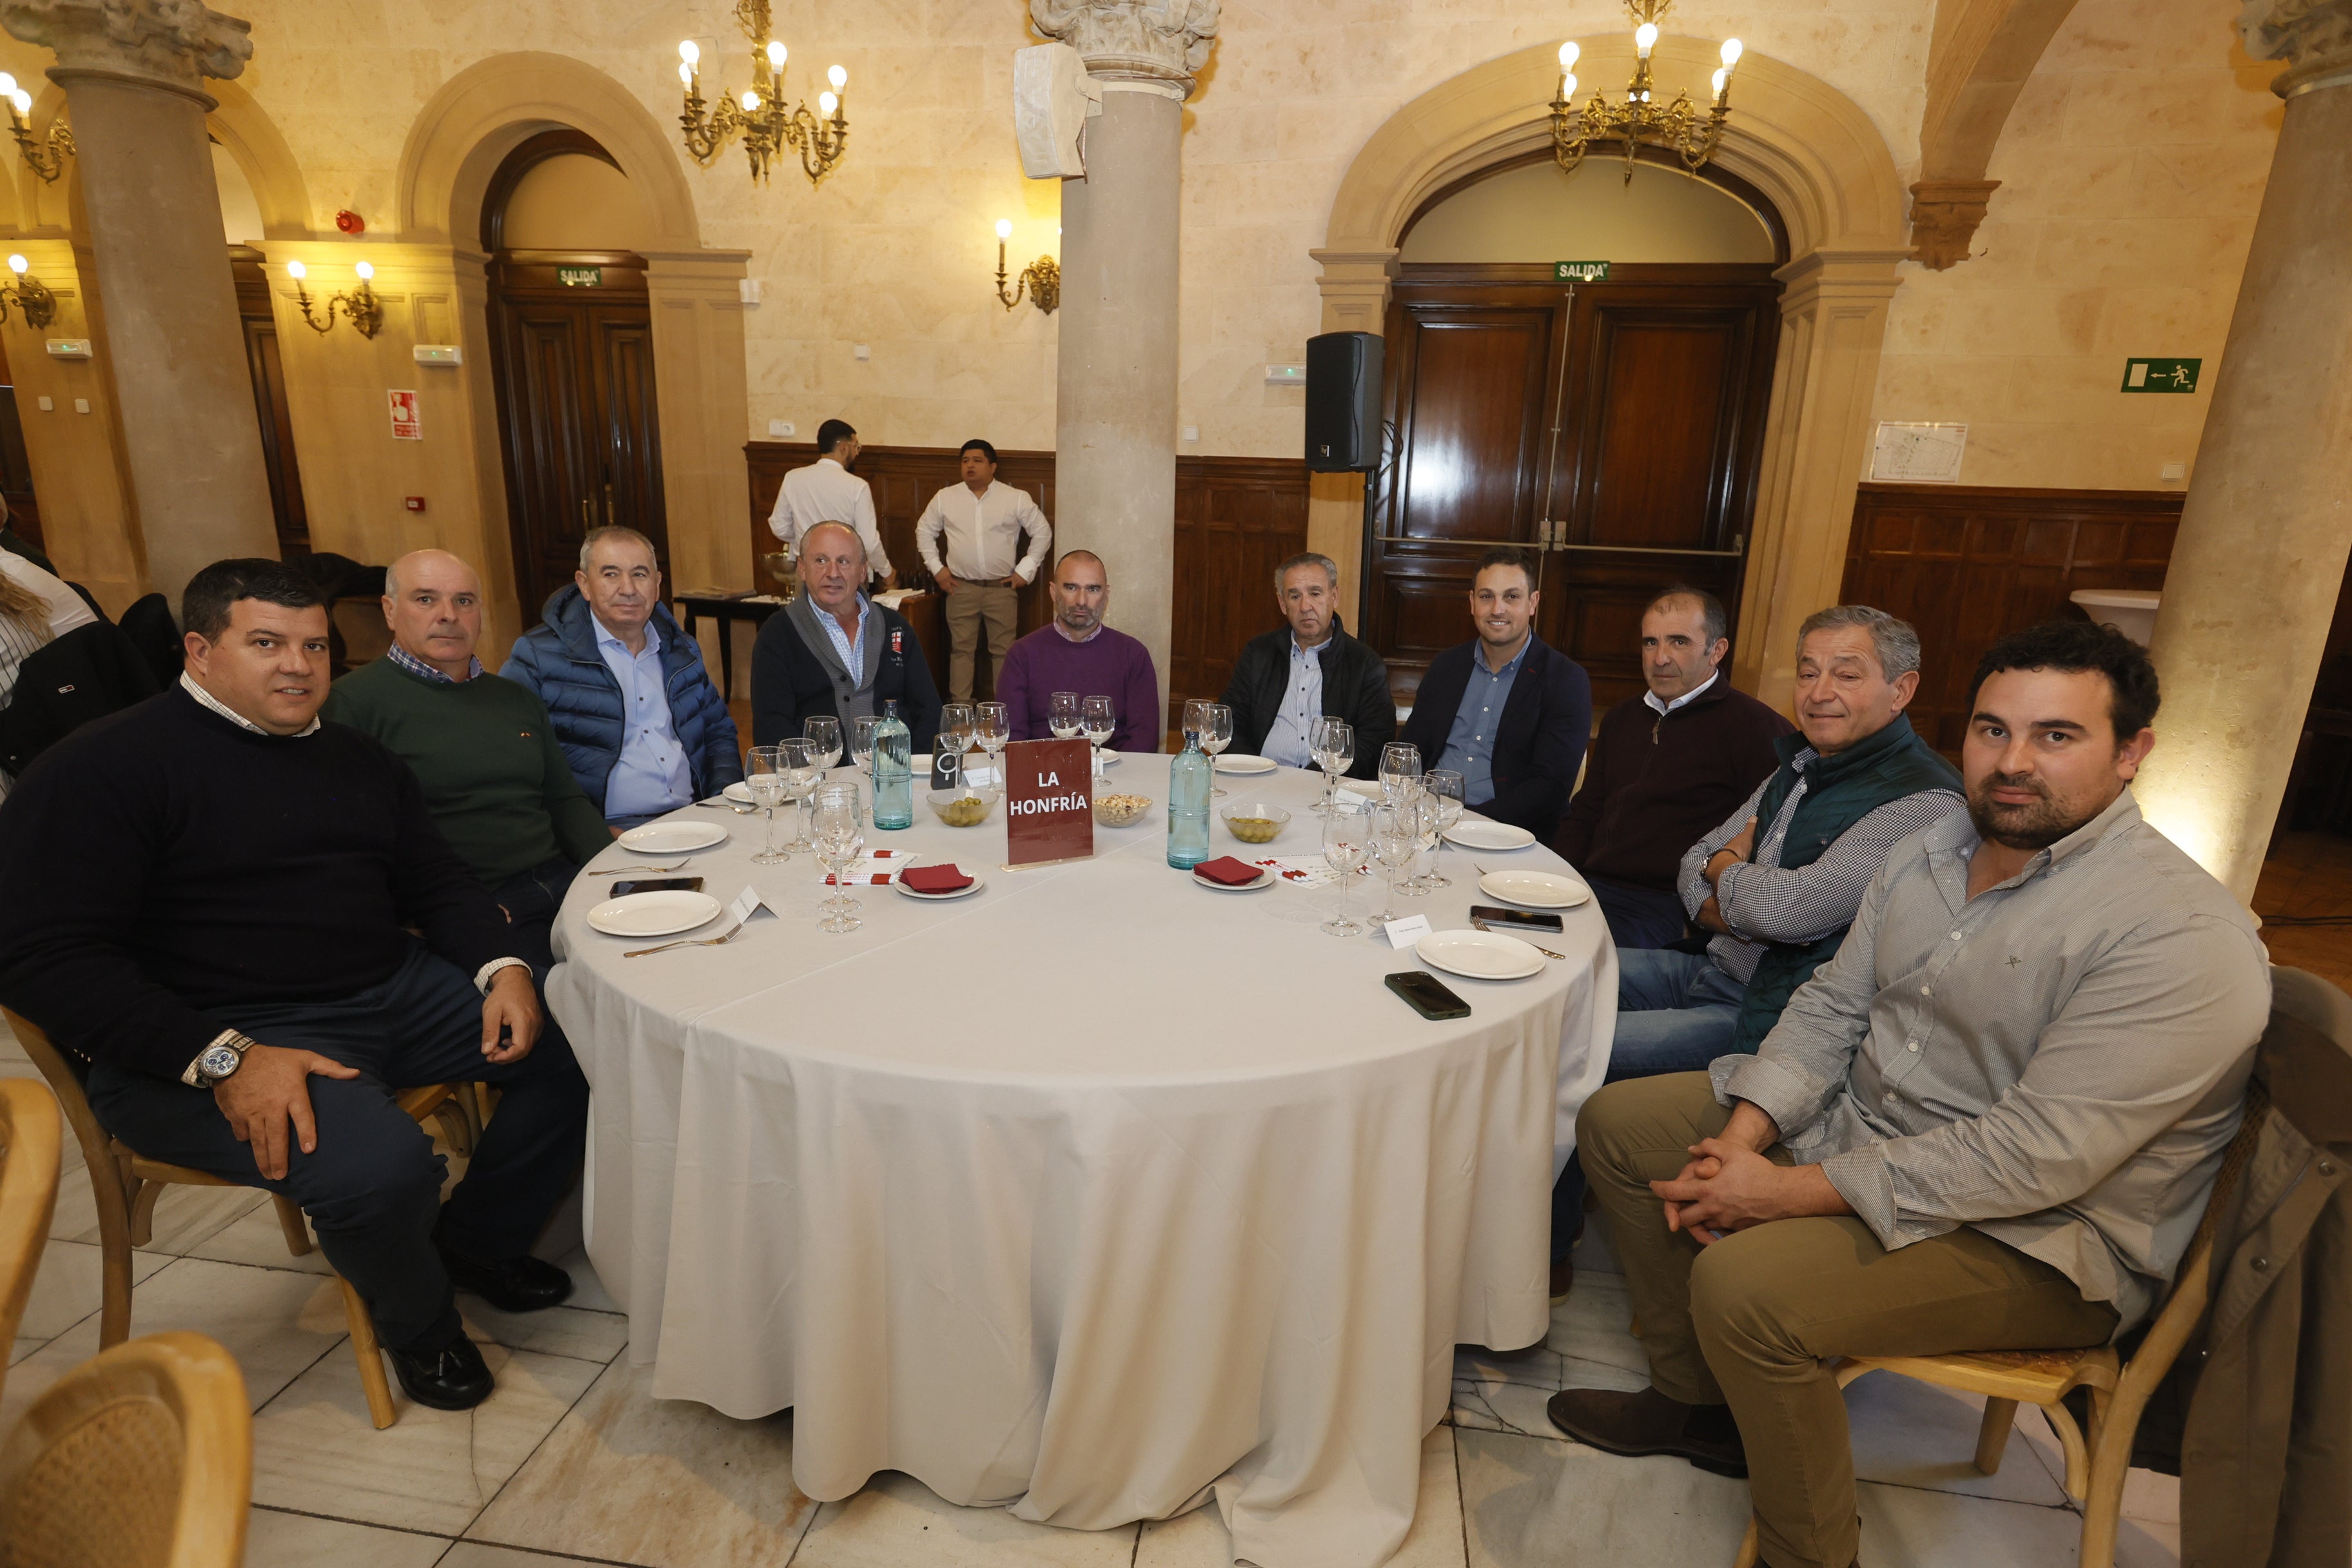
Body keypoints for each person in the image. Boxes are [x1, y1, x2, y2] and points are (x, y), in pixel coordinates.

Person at [1552, 618, 2270, 1568]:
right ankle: (1699, 1405)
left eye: (2056, 735)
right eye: (1992, 729)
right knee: (1617, 1121)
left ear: (2132, 752)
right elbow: (1831, 1006)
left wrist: (1781, 1191)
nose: (2012, 761)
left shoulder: (2179, 932)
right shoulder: (1932, 847)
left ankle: (1811, 1556)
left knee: (1745, 1287)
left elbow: (2035, 1157)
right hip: (1868, 1129)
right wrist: (1747, 1135)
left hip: (2044, 1237)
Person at [0, 558, 590, 1415]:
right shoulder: (104, 767)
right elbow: (39, 956)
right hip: (203, 1037)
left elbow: (437, 882)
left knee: (583, 1041)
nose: (299, 666)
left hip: (388, 991)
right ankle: (422, 1326)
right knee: (381, 1167)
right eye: (267, 644)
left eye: (315, 646)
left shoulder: (355, 758)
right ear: (200, 651)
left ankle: (473, 1242)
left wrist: (504, 970)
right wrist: (225, 1058)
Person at [1547, 605, 1961, 1297]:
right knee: (1552, 988)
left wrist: (1727, 873)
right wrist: (1730, 884)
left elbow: (1789, 909)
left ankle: (1547, 1248)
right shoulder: (1803, 763)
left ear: (1902, 689)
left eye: (1846, 674)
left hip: (1769, 1011)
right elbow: (1692, 862)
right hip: (1714, 963)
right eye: (1808, 671)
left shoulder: (1923, 800)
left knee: (1568, 1048)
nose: (1819, 691)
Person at [322, 550, 609, 974]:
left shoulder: (515, 698)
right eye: (425, 599)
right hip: (482, 903)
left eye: (464, 601)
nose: (449, 615)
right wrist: (443, 914)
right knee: (565, 1000)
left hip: (565, 883)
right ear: (389, 611)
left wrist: (619, 875)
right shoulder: (350, 704)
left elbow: (563, 799)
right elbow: (354, 840)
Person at [1556, 587, 1792, 948]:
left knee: (1572, 958)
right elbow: (1586, 812)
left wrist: (1706, 910)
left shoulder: (1756, 728)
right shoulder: (1622, 718)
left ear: (1717, 651)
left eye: (1679, 642)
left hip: (1668, 905)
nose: (1661, 658)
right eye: (1650, 642)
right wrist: (1552, 879)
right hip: (1589, 886)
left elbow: (1768, 839)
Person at [500, 525, 741, 829]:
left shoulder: (682, 650)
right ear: (584, 584)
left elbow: (718, 731)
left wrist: (721, 806)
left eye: (640, 574)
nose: (628, 589)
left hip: (694, 818)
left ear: (657, 585)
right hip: (604, 830)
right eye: (611, 574)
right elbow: (514, 759)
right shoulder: (538, 656)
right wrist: (591, 834)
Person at [1397, 549, 1591, 837]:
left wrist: (1469, 823)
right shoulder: (1447, 666)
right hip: (1426, 822)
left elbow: (1549, 787)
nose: (1498, 609)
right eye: (1487, 596)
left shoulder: (1565, 680)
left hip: (1509, 833)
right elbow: (1411, 750)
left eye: (1511, 597)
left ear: (1533, 603)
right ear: (1472, 602)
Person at [752, 521, 941, 750]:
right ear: (801, 568)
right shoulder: (777, 634)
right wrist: (811, 769)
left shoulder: (895, 628)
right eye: (821, 560)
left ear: (862, 571)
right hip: (816, 770)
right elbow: (771, 726)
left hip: (896, 768)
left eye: (843, 562)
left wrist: (911, 766)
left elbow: (928, 710)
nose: (833, 573)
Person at [915, 438, 1051, 702]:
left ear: (993, 466)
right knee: (960, 651)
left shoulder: (1015, 498)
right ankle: (960, 711)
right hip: (960, 587)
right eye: (965, 461)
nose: (970, 466)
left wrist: (1025, 571)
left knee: (1004, 652)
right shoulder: (945, 497)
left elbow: (1042, 532)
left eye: (977, 461)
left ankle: (1004, 710)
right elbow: (924, 532)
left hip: (1001, 589)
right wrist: (938, 570)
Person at [995, 550, 1162, 752]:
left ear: (1106, 595)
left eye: (1093, 589)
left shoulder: (1133, 655)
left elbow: (1144, 739)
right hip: (1042, 767)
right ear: (1053, 592)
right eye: (1071, 587)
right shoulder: (1022, 654)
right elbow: (1012, 739)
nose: (1081, 601)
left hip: (1117, 768)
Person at [769, 418, 893, 587]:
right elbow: (869, 542)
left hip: (807, 571)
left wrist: (805, 538)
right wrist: (887, 572)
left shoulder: (793, 478)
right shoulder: (857, 486)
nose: (857, 453)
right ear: (844, 447)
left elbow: (779, 527)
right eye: (856, 447)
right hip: (845, 572)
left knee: (805, 606)